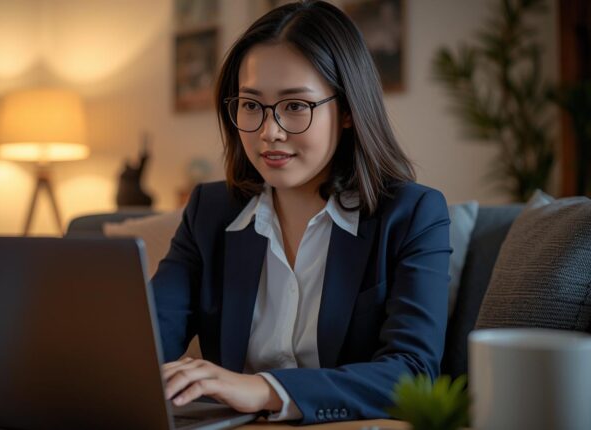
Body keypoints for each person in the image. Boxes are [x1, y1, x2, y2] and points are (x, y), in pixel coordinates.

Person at [152, 1, 451, 425]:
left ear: (347, 111)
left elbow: (414, 373)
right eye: (251, 105)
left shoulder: (412, 214)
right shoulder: (209, 211)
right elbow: (143, 343)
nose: (269, 132)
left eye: (295, 106)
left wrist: (264, 388)